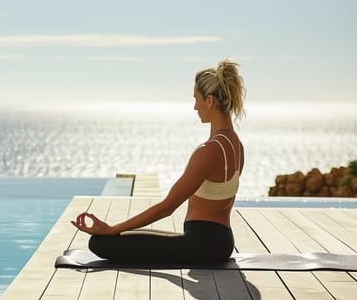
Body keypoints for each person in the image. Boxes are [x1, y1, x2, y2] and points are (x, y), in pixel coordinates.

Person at [72, 59, 246, 263]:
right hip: (221, 241)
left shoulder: (209, 151)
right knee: (130, 236)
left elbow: (167, 207)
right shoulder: (237, 146)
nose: (194, 107)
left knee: (100, 243)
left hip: (202, 245)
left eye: (196, 99)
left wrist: (112, 228)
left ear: (209, 101)